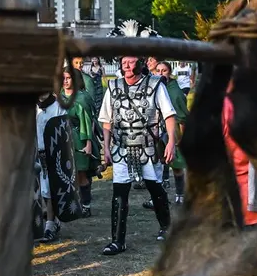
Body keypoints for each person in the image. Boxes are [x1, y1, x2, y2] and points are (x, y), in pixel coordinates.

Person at [98, 55, 177, 255]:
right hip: (121, 147)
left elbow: (169, 115)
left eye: (131, 61)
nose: (126, 65)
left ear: (140, 64)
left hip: (148, 146)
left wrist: (171, 143)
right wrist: (106, 148)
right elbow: (107, 121)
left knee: (154, 187)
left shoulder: (156, 85)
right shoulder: (113, 86)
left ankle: (167, 228)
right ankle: (117, 241)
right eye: (124, 61)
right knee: (119, 193)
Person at [61, 66, 98, 213]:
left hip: (79, 138)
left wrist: (88, 143)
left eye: (68, 78)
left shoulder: (82, 98)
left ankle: (86, 205)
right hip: (63, 138)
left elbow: (87, 122)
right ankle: (74, 203)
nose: (65, 81)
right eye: (63, 78)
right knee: (69, 173)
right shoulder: (59, 96)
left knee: (81, 173)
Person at [154, 61, 188, 205]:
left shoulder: (175, 92)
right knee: (158, 164)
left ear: (170, 72)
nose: (161, 73)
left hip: (173, 132)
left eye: (164, 71)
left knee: (177, 165)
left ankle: (180, 194)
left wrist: (182, 139)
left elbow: (183, 119)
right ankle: (160, 195)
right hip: (157, 130)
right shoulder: (155, 87)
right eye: (158, 71)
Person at [34, 93, 64, 243]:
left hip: (53, 155)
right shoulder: (33, 107)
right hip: (35, 156)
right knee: (40, 191)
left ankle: (51, 224)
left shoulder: (58, 107)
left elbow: (64, 133)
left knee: (50, 191)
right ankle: (46, 222)